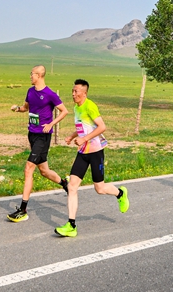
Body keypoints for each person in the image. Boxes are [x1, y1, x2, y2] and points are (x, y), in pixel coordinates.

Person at [54, 79, 129, 237]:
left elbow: (102, 127)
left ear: (84, 93)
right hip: (83, 151)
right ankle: (71, 225)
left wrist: (84, 139)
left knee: (99, 188)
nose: (73, 94)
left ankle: (120, 194)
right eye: (72, 91)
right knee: (72, 187)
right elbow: (82, 127)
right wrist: (72, 136)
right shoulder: (76, 107)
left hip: (95, 152)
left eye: (76, 92)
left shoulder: (90, 106)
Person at [6, 65, 69, 223]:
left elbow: (64, 111)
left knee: (29, 168)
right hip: (32, 134)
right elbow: (26, 108)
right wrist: (17, 108)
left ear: (40, 75)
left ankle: (23, 209)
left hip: (43, 136)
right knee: (44, 171)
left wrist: (51, 124)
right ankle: (64, 183)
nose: (30, 76)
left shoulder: (49, 94)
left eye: (32, 74)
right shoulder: (30, 91)